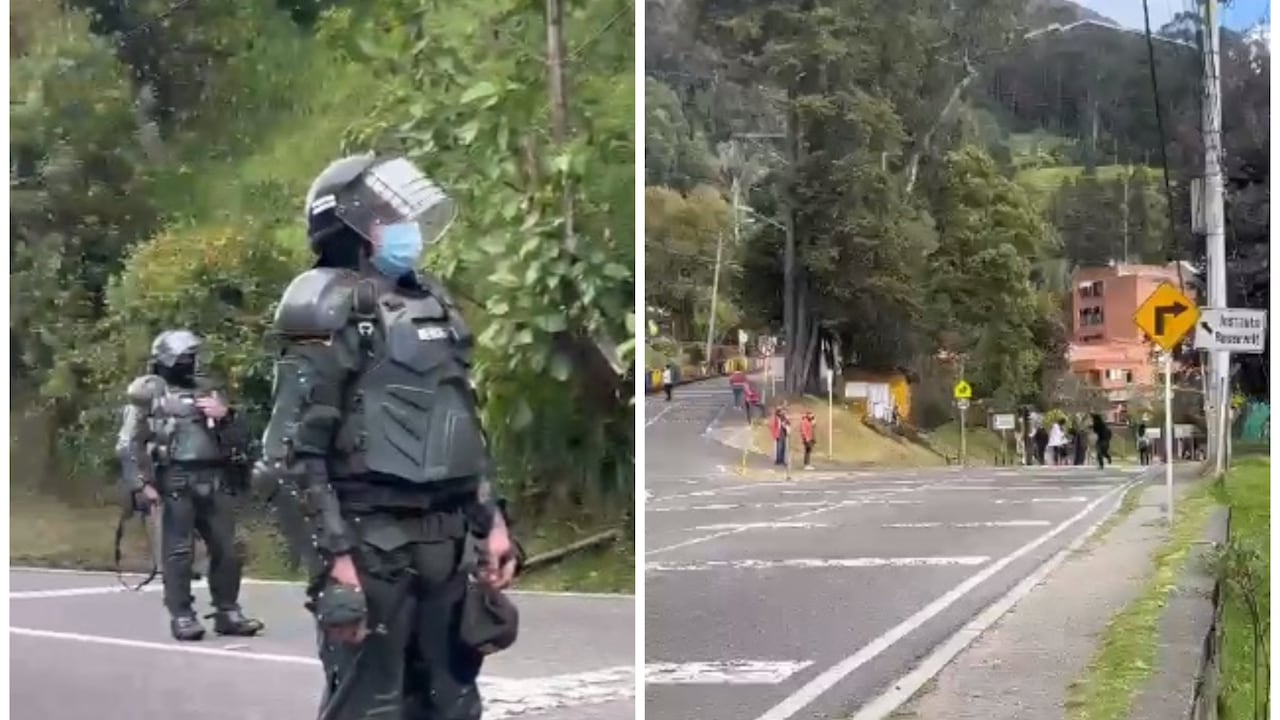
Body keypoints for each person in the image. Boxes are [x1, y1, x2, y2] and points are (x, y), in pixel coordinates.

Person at [252, 154, 520, 720]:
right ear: (346, 230)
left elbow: (463, 423)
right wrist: (334, 562)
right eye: (386, 218)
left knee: (453, 703)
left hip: (448, 547)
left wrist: (492, 521)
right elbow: (290, 455)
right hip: (371, 546)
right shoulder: (324, 306)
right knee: (370, 707)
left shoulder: (432, 301)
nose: (405, 230)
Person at [115, 330, 263, 642]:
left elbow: (240, 435)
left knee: (229, 546)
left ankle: (228, 611)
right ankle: (182, 615)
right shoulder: (149, 393)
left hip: (216, 476)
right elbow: (128, 444)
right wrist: (141, 484)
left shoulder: (208, 391)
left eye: (193, 356)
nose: (192, 362)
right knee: (179, 551)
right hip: (176, 478)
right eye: (186, 357)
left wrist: (225, 415)